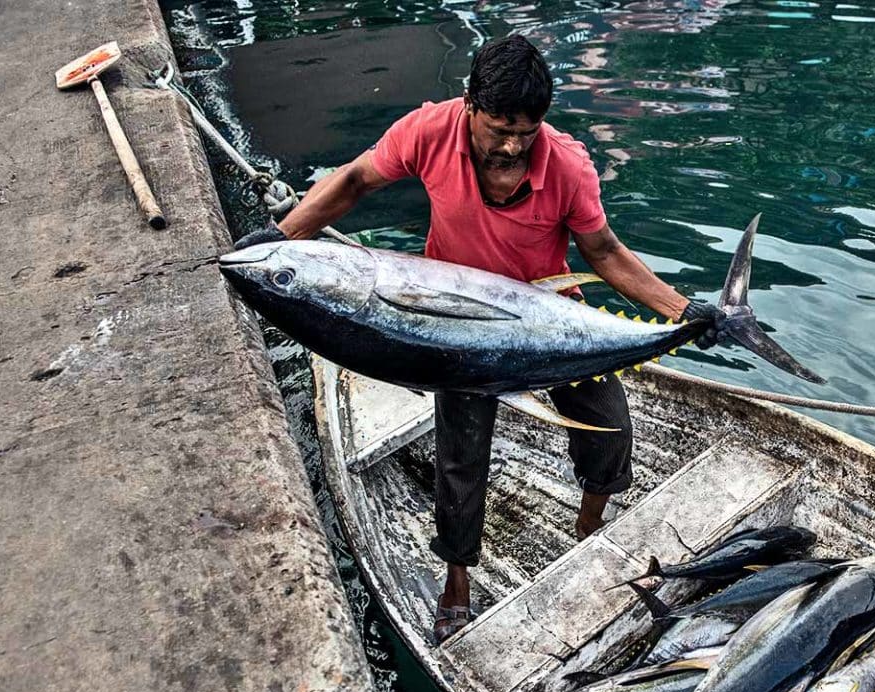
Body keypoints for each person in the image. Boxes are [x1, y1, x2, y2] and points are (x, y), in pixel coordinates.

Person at [234, 35, 726, 644]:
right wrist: (276, 237)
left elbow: (604, 253)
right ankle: (458, 578)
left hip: (552, 320)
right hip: (451, 335)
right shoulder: (428, 132)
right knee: (461, 461)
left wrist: (684, 310)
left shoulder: (566, 165)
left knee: (611, 429)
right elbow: (356, 181)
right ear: (469, 104)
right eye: (500, 129)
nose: (514, 145)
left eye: (527, 131)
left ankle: (589, 528)